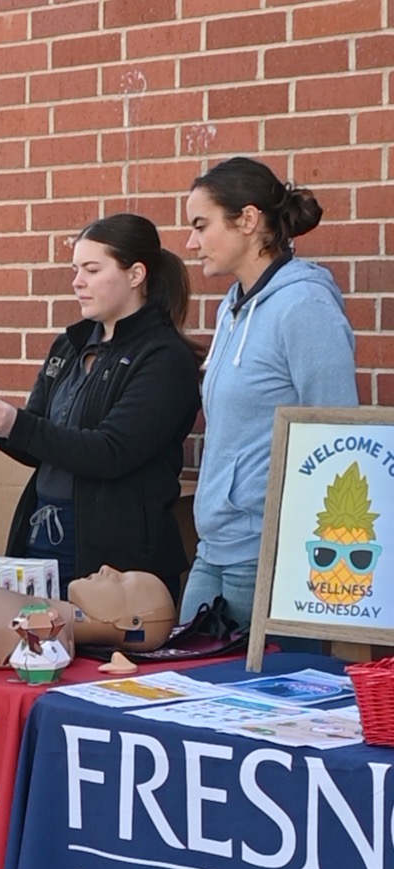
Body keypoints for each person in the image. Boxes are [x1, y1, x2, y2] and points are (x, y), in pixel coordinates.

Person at [0, 212, 201, 602]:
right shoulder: (68, 346)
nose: (77, 282)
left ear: (136, 275)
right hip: (43, 538)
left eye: (91, 269)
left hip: (116, 562)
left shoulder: (164, 358)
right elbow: (39, 442)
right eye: (75, 269)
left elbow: (111, 451)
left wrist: (18, 425)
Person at [178, 156, 358, 629]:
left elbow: (338, 430)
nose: (191, 242)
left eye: (201, 224)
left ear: (249, 220)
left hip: (268, 551)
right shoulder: (230, 309)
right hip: (214, 544)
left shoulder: (304, 305)